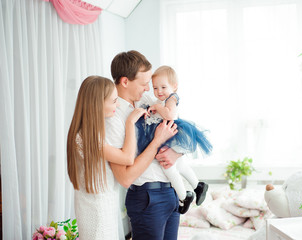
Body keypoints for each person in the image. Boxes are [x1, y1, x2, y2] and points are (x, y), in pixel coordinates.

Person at [67, 76, 177, 240]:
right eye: (113, 101)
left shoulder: (92, 133)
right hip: (97, 209)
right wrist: (130, 122)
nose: (117, 105)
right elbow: (127, 158)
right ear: (97, 103)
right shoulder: (86, 137)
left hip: (103, 204)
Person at [106, 50, 184, 240]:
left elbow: (178, 128)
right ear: (125, 82)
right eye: (143, 84)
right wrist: (157, 141)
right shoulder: (112, 118)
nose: (149, 89)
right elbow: (124, 178)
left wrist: (176, 153)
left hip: (170, 192)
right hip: (147, 198)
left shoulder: (148, 101)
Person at [136, 65, 212, 214]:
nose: (159, 92)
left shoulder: (172, 98)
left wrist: (157, 106)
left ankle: (184, 196)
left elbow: (169, 115)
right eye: (155, 88)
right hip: (170, 133)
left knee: (168, 167)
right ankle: (198, 186)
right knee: (180, 164)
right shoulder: (162, 99)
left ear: (174, 86)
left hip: (174, 132)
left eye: (163, 87)